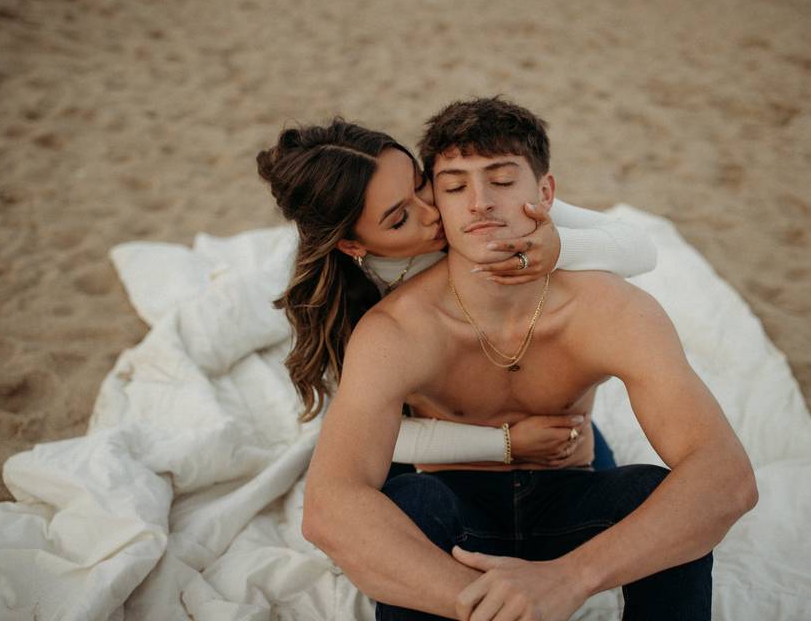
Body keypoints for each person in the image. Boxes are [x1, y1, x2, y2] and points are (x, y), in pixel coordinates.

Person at [300, 97, 758, 620]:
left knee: (652, 492)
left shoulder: (611, 310)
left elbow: (727, 476)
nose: (478, 204)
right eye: (452, 188)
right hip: (456, 507)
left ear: (546, 193)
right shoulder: (395, 329)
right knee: (408, 502)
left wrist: (570, 578)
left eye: (501, 181)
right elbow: (328, 507)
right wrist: (496, 606)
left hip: (569, 485)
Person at [256, 119, 657, 473]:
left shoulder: (468, 206)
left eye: (421, 185)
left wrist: (559, 248)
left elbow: (640, 247)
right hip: (437, 443)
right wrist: (506, 444)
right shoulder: (346, 305)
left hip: (540, 413)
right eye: (399, 219)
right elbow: (371, 431)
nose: (433, 213)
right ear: (352, 245)